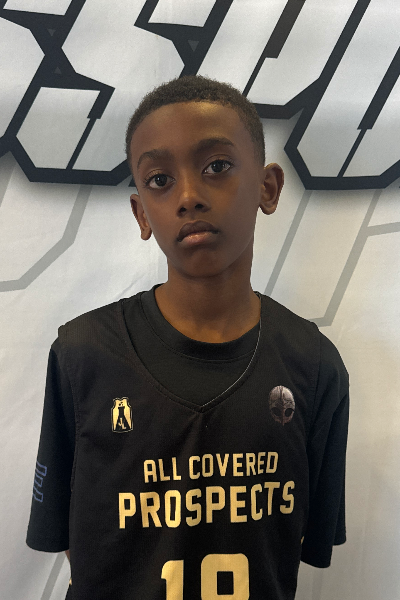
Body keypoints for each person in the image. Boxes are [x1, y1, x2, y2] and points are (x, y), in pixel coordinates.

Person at [26, 75, 349, 600]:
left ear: (267, 188)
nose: (189, 197)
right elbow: (71, 540)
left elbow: (301, 541)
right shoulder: (82, 354)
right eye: (159, 180)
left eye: (216, 167)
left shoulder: (314, 365)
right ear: (141, 214)